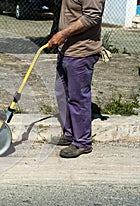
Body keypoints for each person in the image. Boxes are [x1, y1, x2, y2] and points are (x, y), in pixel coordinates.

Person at [48, 0, 106, 158]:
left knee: (78, 98)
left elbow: (92, 17)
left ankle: (82, 142)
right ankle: (70, 134)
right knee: (62, 93)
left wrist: (63, 33)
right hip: (65, 50)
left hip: (81, 52)